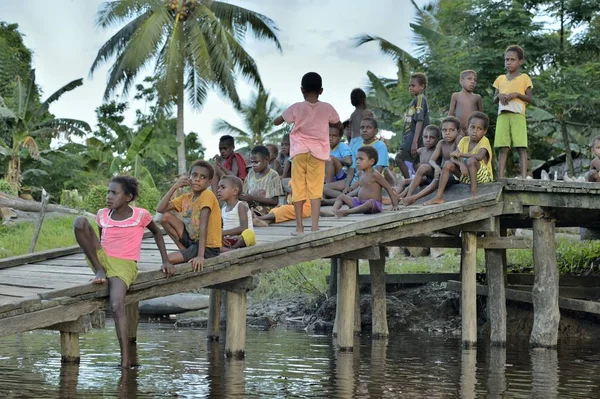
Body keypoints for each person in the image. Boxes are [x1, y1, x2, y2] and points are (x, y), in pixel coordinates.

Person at [73, 176, 172, 368]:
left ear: (128, 197)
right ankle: (100, 272)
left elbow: (158, 232)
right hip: (102, 260)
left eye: (114, 193)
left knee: (117, 305)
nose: (109, 196)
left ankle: (125, 360)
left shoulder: (140, 215)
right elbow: (102, 238)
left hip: (124, 264)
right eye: (108, 192)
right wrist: (100, 264)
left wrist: (165, 260)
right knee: (79, 222)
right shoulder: (102, 214)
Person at [273, 72, 342, 234]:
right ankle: (315, 226)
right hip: (317, 154)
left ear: (302, 90)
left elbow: (278, 120)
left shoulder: (297, 107)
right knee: (315, 189)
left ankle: (299, 227)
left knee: (298, 188)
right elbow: (338, 123)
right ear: (321, 90)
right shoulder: (327, 108)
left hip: (299, 152)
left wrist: (277, 120)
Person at [157, 160, 222, 271]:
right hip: (193, 242)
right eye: (194, 175)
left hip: (207, 247)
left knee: (168, 259)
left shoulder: (207, 195)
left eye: (203, 177)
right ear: (189, 177)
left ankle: (188, 254)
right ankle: (185, 252)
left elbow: (203, 225)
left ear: (209, 182)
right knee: (165, 217)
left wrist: (200, 256)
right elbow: (160, 209)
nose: (197, 179)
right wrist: (174, 187)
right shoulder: (186, 197)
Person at [425, 112, 493, 205]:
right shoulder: (464, 140)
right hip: (466, 177)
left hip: (483, 177)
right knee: (448, 164)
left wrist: (461, 154)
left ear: (484, 131)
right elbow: (453, 157)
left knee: (471, 160)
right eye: (472, 127)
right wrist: (461, 164)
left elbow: (479, 156)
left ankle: (474, 193)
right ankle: (439, 197)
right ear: (467, 128)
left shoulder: (484, 140)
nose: (475, 131)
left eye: (479, 129)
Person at [323, 117, 389, 202]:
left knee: (357, 191)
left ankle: (340, 199)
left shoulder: (380, 145)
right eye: (362, 128)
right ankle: (346, 198)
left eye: (368, 127)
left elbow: (378, 171)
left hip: (369, 181)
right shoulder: (356, 146)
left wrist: (355, 186)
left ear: (376, 131)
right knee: (325, 188)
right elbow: (351, 168)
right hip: (353, 180)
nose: (365, 130)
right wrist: (347, 186)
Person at [493, 45, 534, 179]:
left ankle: (523, 177)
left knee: (521, 146)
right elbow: (494, 98)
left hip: (518, 115)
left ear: (520, 61)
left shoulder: (524, 78)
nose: (508, 62)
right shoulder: (500, 79)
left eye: (512, 59)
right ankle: (501, 177)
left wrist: (516, 94)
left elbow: (529, 98)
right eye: (506, 60)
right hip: (503, 115)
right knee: (503, 147)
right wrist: (499, 96)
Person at [322, 146, 398, 217]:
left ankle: (348, 212)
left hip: (373, 205)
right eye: (357, 158)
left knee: (370, 202)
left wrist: (395, 205)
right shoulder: (360, 173)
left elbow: (388, 187)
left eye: (361, 159)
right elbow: (360, 187)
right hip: (360, 203)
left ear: (371, 161)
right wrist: (349, 193)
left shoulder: (375, 174)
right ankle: (333, 210)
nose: (357, 161)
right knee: (341, 197)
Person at [402, 117, 462, 206]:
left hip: (454, 175)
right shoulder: (441, 143)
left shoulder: (458, 139)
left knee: (444, 168)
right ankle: (409, 196)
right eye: (444, 130)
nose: (447, 133)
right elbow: (432, 160)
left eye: (451, 130)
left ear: (458, 131)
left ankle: (415, 197)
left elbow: (458, 153)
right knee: (423, 167)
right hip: (441, 172)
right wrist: (436, 166)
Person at [395, 72, 430, 180]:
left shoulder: (420, 99)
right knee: (416, 164)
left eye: (413, 85)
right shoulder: (413, 101)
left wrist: (415, 142)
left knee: (399, 158)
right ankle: (421, 183)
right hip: (410, 137)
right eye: (409, 85)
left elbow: (419, 120)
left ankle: (408, 183)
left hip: (415, 137)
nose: (410, 88)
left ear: (422, 86)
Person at [396, 125, 441, 200]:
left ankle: (406, 197)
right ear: (422, 137)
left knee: (423, 168)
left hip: (435, 178)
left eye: (432, 137)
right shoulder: (420, 151)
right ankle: (395, 196)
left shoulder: (438, 150)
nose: (428, 140)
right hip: (426, 178)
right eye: (425, 137)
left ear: (438, 139)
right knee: (404, 181)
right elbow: (415, 165)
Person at [242, 145, 284, 217]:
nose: (253, 165)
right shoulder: (251, 173)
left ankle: (256, 218)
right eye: (252, 162)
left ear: (266, 159)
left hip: (267, 208)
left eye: (256, 162)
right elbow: (244, 192)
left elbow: (274, 201)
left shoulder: (273, 175)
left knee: (256, 212)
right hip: (251, 206)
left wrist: (253, 198)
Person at [216, 176, 256, 251]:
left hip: (242, 238)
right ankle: (231, 250)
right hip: (229, 239)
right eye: (218, 187)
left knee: (248, 234)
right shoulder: (223, 209)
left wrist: (223, 233)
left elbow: (244, 228)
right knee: (212, 241)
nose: (219, 190)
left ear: (235, 191)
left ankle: (232, 249)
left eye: (223, 187)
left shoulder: (241, 206)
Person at [449, 70, 483, 136]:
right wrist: (450, 127)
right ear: (461, 81)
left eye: (475, 80)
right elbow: (451, 114)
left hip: (473, 130)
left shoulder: (477, 97)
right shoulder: (456, 96)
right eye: (469, 79)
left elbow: (481, 116)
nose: (473, 82)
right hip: (459, 130)